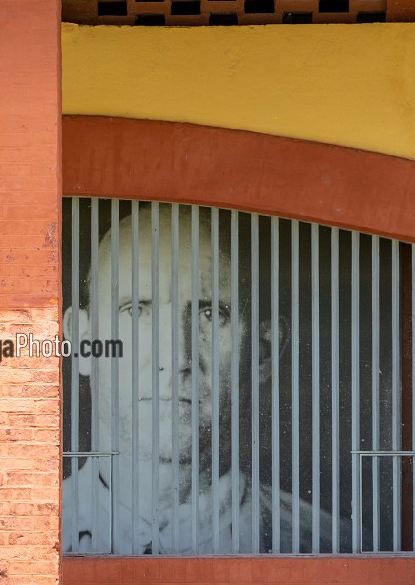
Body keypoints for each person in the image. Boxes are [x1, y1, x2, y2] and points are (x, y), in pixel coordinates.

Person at [61, 203, 348, 554]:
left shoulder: (330, 548)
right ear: (83, 342)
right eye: (136, 311)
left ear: (263, 352)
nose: (176, 358)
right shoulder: (15, 544)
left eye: (212, 315)